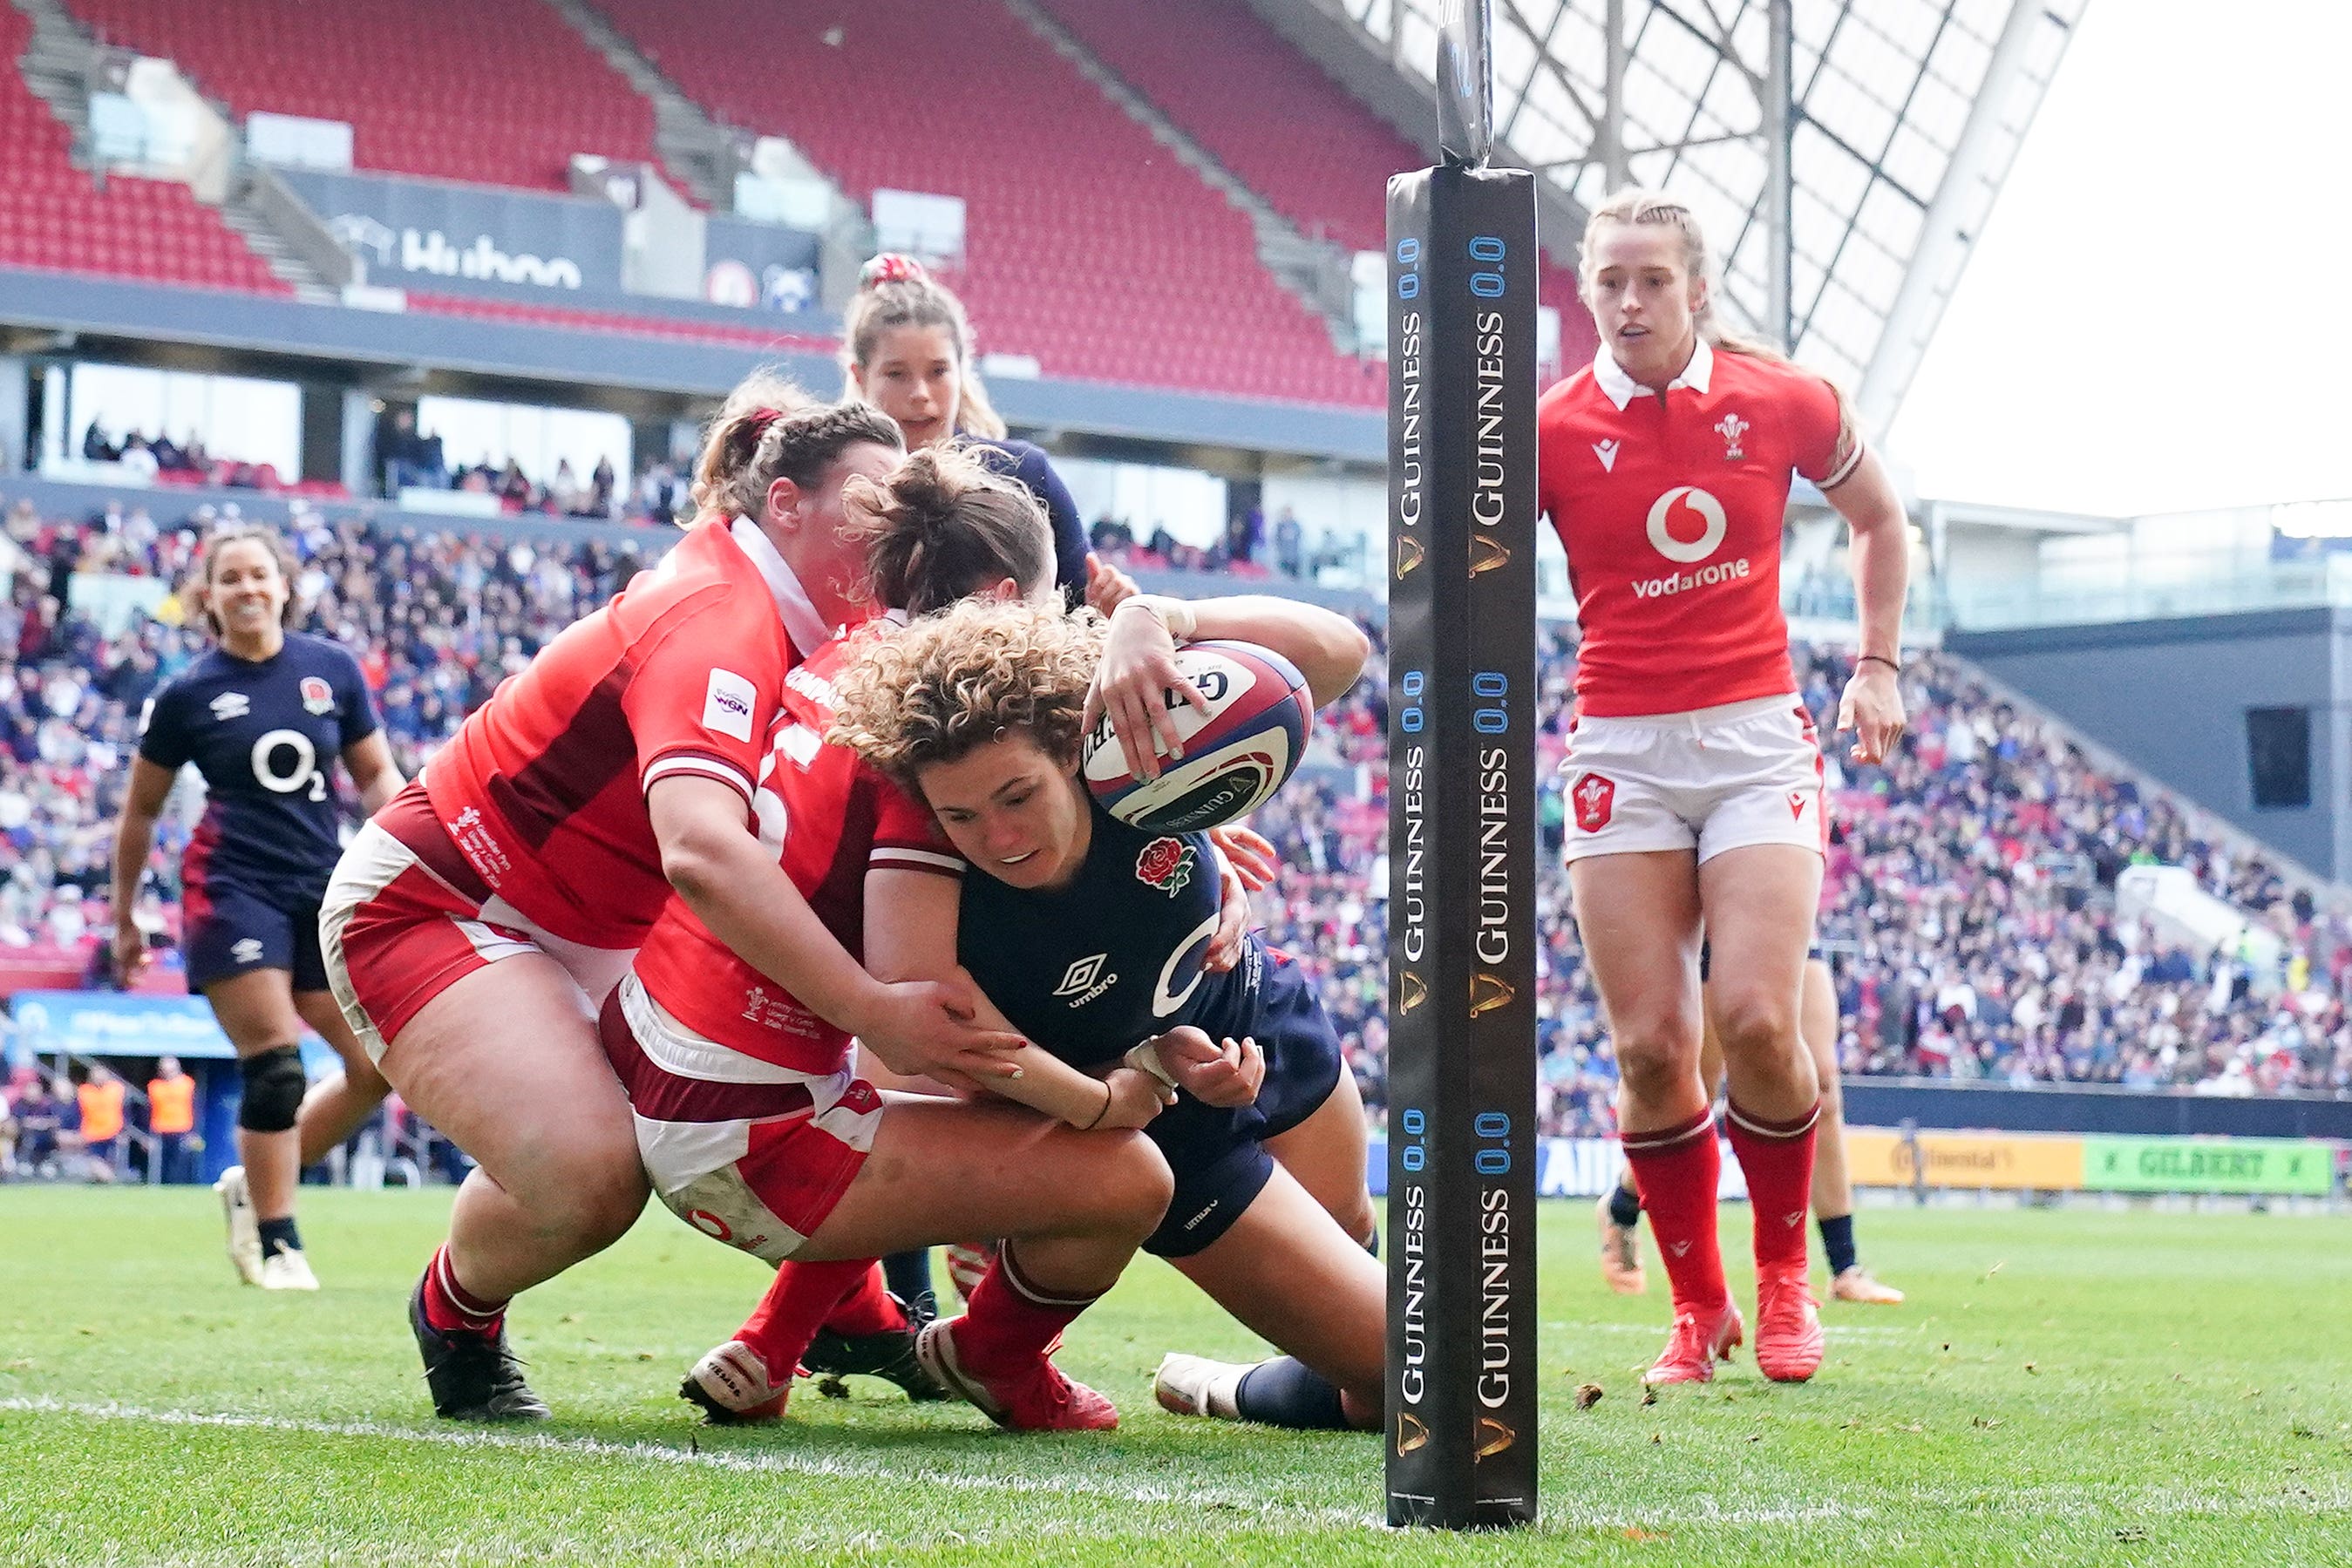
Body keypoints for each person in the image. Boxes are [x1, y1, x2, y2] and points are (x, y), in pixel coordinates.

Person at [318, 379, 1027, 1422]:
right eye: (871, 501)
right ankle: (455, 1311)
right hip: (445, 903)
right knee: (590, 1174)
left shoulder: (839, 621)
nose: (894, 529)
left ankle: (851, 1307)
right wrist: (877, 1012)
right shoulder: (718, 612)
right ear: (784, 504)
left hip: (595, 925)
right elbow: (700, 850)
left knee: (801, 1070)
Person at [609, 445, 1184, 1432]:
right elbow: (930, 1010)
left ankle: (793, 1332)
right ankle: (993, 1354)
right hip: (744, 1140)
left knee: (905, 1084)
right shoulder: (945, 746)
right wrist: (1098, 1102)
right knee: (1130, 1175)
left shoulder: (849, 661)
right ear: (1012, 598)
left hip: (659, 1052)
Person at [828, 592, 1384, 1431]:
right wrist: (1121, 1086)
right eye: (962, 815)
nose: (998, 835)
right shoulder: (926, 861)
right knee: (1434, 1381)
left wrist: (1163, 619)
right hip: (1162, 1127)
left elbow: (1340, 652)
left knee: (1363, 1281)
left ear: (1071, 750)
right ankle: (1225, 1385)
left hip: (1258, 1012)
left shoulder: (1125, 757)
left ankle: (1253, 1378)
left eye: (1018, 796)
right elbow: (928, 1039)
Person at [1537, 189, 1908, 1387]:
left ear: (1695, 289)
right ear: (1585, 289)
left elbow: (1877, 515)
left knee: (1755, 1017)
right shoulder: (1539, 431)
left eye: (1652, 279)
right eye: (1609, 280)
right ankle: (1697, 1311)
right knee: (1649, 1046)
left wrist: (1875, 663)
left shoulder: (1782, 398)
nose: (1629, 300)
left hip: (1755, 740)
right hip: (1618, 750)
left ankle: (1787, 1280)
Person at [112, 523, 404, 1290]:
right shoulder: (187, 692)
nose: (246, 589)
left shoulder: (331, 670)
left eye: (258, 575)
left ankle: (255, 1180)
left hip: (320, 885)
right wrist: (124, 916)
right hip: (230, 888)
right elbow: (139, 811)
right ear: (208, 595)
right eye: (229, 577)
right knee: (275, 1064)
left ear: (284, 584)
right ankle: (276, 1240)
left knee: (377, 1065)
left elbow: (376, 777)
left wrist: (414, 850)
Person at [1598, 948, 1904, 1304]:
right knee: (1695, 1092)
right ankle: (1621, 1206)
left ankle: (1845, 1267)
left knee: (1821, 1084)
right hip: (1710, 922)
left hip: (1779, 904)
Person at [843, 253, 1133, 622]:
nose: (920, 393)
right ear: (860, 375)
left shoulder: (1024, 475)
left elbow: (1084, 607)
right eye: (897, 374)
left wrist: (1115, 607)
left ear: (962, 372)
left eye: (938, 371)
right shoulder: (838, 487)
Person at [147, 1055, 198, 1185]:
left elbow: (196, 1107)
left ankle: (182, 1185)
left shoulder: (188, 1084)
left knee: (182, 1162)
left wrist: (194, 1132)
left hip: (183, 1128)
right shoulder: (154, 1086)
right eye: (165, 1070)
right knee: (162, 1163)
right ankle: (164, 1186)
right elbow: (147, 1110)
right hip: (160, 1128)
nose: (168, 1073)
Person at [76, 1065, 126, 1183]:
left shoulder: (117, 1089)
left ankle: (109, 1181)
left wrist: (124, 1131)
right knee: (96, 1162)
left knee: (112, 1162)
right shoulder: (84, 1091)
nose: (98, 1078)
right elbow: (78, 1112)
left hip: (113, 1132)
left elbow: (126, 1111)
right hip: (92, 1133)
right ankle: (110, 1182)